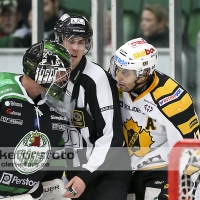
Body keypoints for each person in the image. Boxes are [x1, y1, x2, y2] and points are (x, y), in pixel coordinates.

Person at [109, 37, 200, 199]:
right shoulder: (115, 84)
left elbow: (191, 150)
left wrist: (186, 187)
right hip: (123, 166)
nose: (118, 77)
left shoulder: (173, 100)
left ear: (144, 74)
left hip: (161, 169)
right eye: (116, 68)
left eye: (125, 72)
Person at [54, 13, 131, 200]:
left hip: (107, 172)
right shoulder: (50, 73)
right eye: (70, 40)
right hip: (75, 171)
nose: (75, 48)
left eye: (81, 42)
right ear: (58, 39)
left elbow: (112, 138)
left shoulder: (97, 78)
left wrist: (85, 175)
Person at [0, 39, 74, 199]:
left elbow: (56, 151)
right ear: (42, 70)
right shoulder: (3, 90)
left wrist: (52, 183)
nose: (63, 79)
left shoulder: (58, 106)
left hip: (29, 193)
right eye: (60, 72)